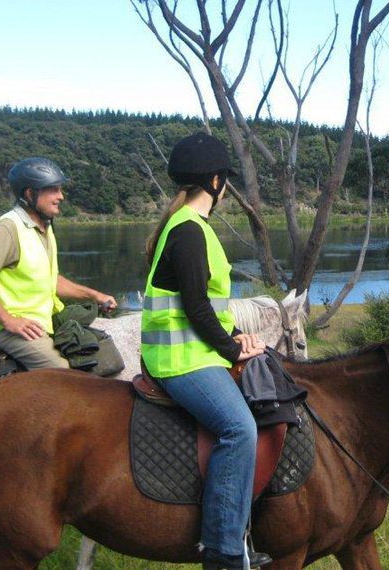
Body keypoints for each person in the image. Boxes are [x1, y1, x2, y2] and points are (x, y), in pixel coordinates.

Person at [140, 133, 271, 570]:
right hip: (179, 361)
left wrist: (237, 334)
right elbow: (195, 306)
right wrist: (231, 348)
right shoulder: (191, 231)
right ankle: (223, 552)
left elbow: (208, 303)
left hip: (198, 351)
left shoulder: (190, 227)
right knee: (240, 430)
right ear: (216, 181)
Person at [0, 156, 117, 370]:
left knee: (97, 351)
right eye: (53, 189)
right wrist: (8, 320)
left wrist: (96, 296)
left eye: (60, 189)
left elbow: (50, 280)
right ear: (30, 193)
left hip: (42, 319)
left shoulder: (44, 226)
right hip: (10, 327)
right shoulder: (9, 228)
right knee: (64, 374)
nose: (61, 196)